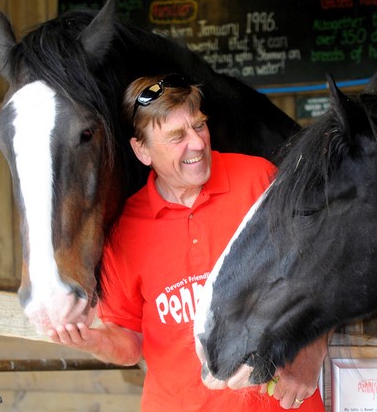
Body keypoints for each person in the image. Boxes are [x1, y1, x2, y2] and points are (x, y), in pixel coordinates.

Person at [48, 74, 330, 411]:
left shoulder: (259, 180)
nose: (196, 143)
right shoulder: (126, 229)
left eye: (199, 126)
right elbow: (131, 340)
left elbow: (328, 270)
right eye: (176, 136)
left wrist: (312, 350)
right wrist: (94, 340)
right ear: (142, 151)